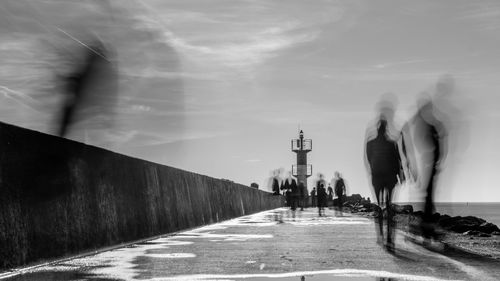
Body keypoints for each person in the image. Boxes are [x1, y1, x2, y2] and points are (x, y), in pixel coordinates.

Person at [365, 119, 404, 251]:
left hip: (377, 177)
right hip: (389, 177)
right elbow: (397, 160)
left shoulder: (370, 143)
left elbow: (369, 160)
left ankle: (381, 234)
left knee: (380, 206)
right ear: (386, 128)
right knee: (388, 205)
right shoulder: (391, 143)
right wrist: (400, 176)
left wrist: (374, 172)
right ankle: (389, 238)